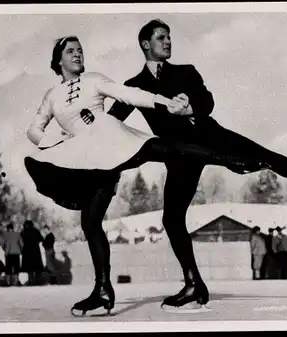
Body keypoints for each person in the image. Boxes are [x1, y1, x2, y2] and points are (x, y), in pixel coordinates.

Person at [107, 19, 287, 309]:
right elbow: (112, 121)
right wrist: (86, 123)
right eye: (161, 37)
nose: (168, 41)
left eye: (170, 37)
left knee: (265, 156)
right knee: (172, 220)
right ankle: (194, 285)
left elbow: (207, 101)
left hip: (209, 135)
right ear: (145, 44)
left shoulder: (186, 72)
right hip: (180, 154)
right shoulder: (134, 86)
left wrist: (192, 107)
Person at [23, 36, 271, 316]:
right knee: (91, 222)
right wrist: (55, 140)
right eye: (71, 52)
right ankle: (103, 291)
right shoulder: (51, 97)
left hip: (110, 141)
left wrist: (164, 103)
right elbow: (34, 128)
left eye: (80, 50)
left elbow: (130, 94)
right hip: (86, 160)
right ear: (58, 61)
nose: (78, 55)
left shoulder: (93, 79)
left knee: (166, 148)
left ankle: (233, 160)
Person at [20, 220, 44, 285]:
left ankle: (30, 280)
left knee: (29, 267)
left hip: (26, 251)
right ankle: (37, 281)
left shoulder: (23, 231)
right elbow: (41, 239)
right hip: (35, 251)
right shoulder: (36, 231)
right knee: (36, 266)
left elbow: (20, 241)